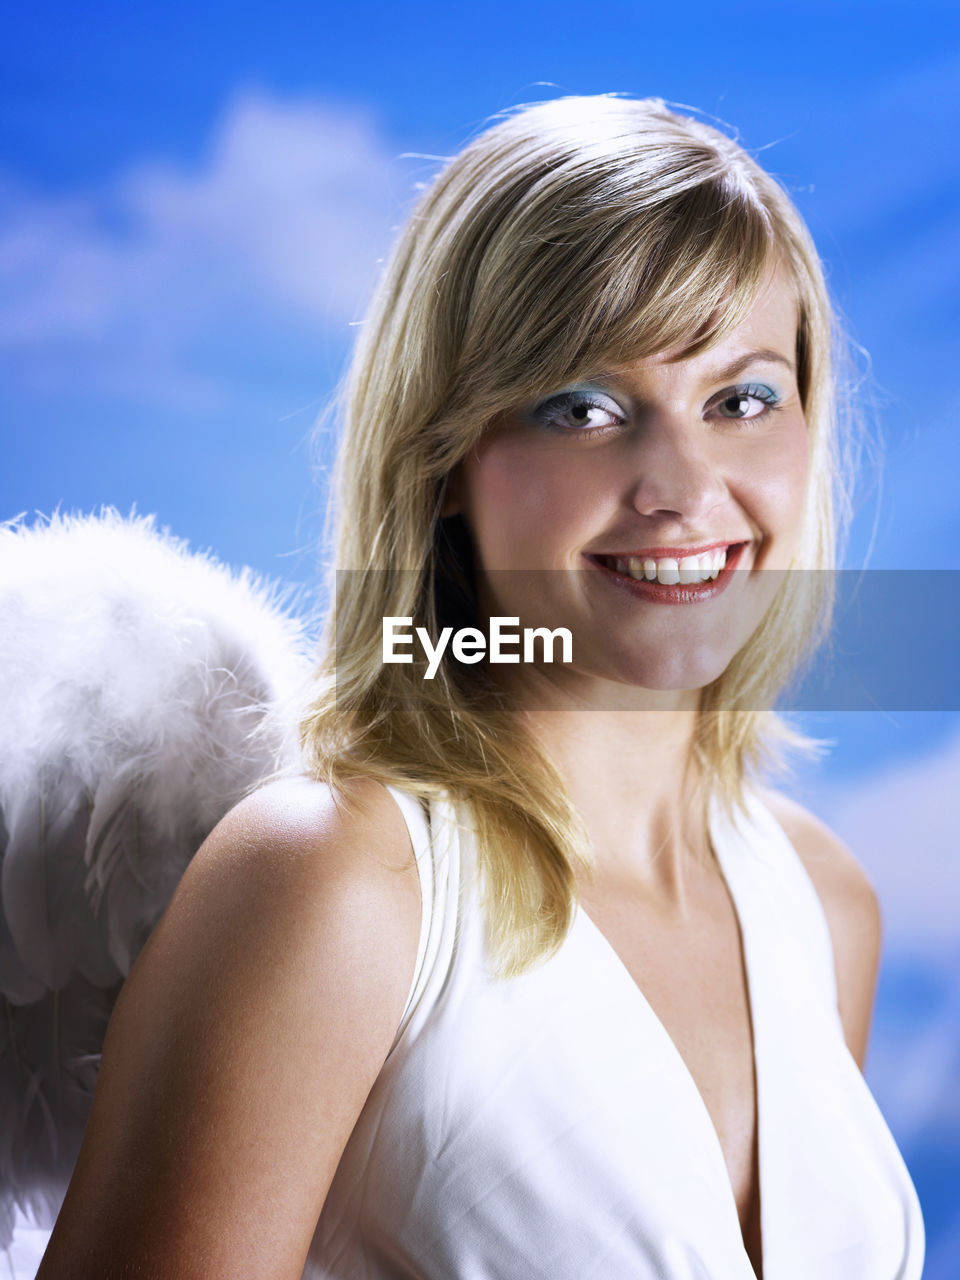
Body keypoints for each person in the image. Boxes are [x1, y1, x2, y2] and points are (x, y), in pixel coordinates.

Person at [36, 94, 925, 1279]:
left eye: (742, 397)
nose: (681, 483)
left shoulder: (824, 902)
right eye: (585, 408)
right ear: (446, 458)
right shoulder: (334, 881)